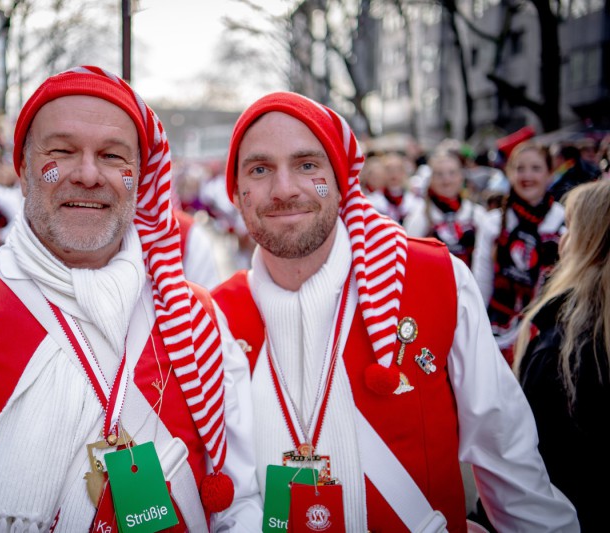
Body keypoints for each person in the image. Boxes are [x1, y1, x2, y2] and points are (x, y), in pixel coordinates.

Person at [0, 66, 261, 532]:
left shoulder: (197, 320)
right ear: (23, 170)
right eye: (61, 151)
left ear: (141, 177)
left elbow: (240, 503)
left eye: (111, 156)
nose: (87, 174)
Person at [211, 92, 578, 532]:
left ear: (341, 179)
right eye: (260, 168)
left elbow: (510, 462)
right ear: (236, 191)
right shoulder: (215, 319)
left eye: (308, 165)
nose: (285, 188)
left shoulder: (436, 280)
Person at [513, 179, 610, 532]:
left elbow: (531, 460)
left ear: (587, 242)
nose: (562, 238)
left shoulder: (563, 351)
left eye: (570, 227)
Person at [472, 142, 565, 364]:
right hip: (498, 330)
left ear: (550, 174)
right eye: (520, 168)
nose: (527, 176)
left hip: (547, 334)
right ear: (509, 173)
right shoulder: (493, 222)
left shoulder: (563, 222)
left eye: (536, 168)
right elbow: (482, 277)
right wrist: (477, 327)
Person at [404, 150, 486, 268]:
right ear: (431, 179)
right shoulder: (419, 215)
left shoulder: (477, 213)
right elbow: (410, 260)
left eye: (452, 173)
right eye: (439, 174)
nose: (446, 180)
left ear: (461, 177)